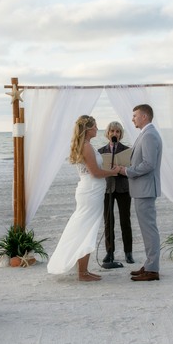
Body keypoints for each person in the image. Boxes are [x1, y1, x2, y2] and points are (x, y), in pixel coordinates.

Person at [47, 116, 118, 281]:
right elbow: (96, 173)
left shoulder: (86, 145)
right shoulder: (86, 147)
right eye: (94, 126)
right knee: (87, 229)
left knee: (85, 228)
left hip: (91, 190)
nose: (97, 129)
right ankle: (82, 272)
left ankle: (83, 270)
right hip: (91, 191)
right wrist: (113, 172)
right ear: (88, 129)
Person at [116, 104, 163, 282]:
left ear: (144, 116)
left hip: (145, 189)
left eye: (135, 115)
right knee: (147, 229)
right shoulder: (146, 133)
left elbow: (148, 164)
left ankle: (152, 269)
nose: (133, 118)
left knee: (149, 230)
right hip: (142, 189)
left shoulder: (149, 135)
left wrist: (126, 171)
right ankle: (150, 264)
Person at [98, 121, 134, 265]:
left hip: (123, 188)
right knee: (108, 221)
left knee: (125, 221)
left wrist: (121, 169)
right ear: (108, 133)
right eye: (112, 131)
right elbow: (98, 171)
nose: (115, 134)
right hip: (107, 189)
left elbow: (131, 170)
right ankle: (110, 252)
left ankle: (128, 252)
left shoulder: (127, 150)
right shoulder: (101, 151)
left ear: (121, 134)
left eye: (117, 132)